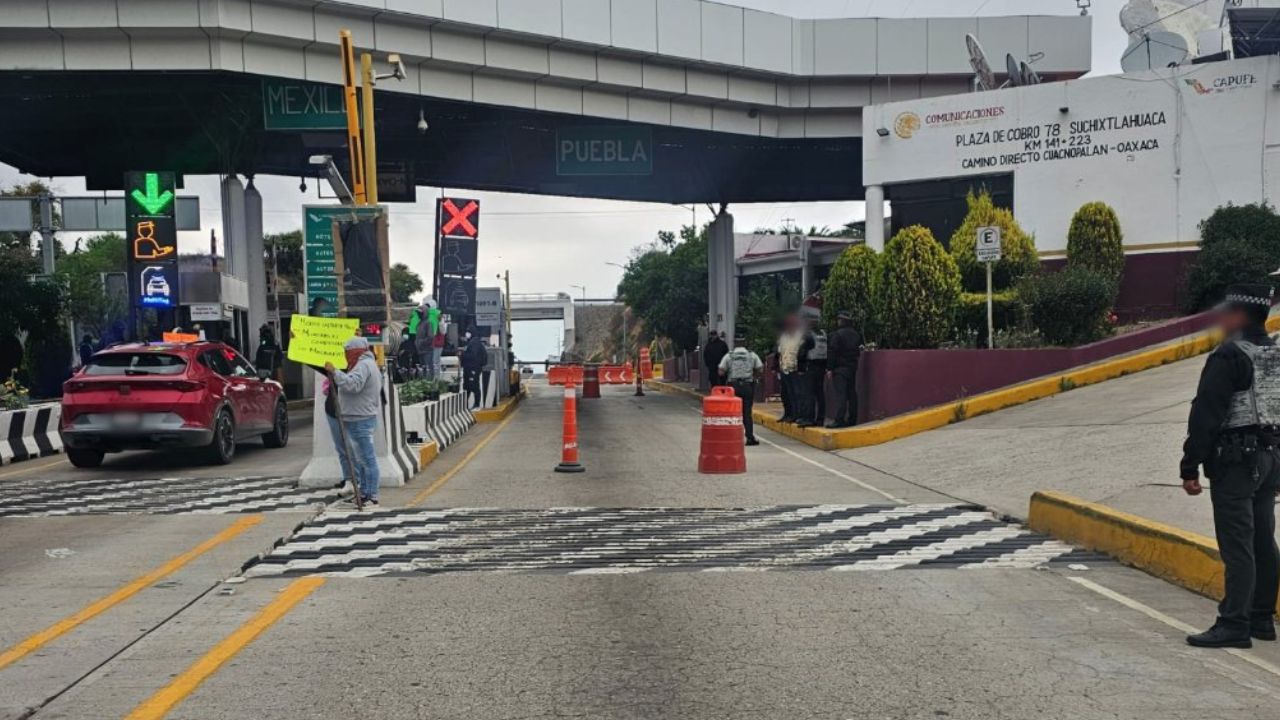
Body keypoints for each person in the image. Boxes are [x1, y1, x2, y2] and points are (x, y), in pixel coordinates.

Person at [1180, 283, 1280, 649]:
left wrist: (1190, 466)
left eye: (1225, 312)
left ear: (1238, 315)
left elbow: (1206, 414)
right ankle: (1261, 619)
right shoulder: (1274, 351)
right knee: (1262, 538)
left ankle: (1234, 623)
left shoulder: (1229, 355)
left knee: (1238, 545)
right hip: (1271, 457)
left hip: (1237, 461)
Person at [324, 337, 383, 507]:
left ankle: (371, 496)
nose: (345, 356)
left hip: (360, 419)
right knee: (362, 460)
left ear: (355, 351)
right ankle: (364, 493)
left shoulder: (363, 365)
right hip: (359, 417)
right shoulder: (364, 364)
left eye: (347, 353)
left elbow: (352, 385)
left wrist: (335, 372)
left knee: (367, 459)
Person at [719, 331, 764, 447]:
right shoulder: (752, 355)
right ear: (744, 343)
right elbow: (760, 369)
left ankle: (730, 438)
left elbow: (721, 371)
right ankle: (750, 437)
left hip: (733, 387)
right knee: (746, 413)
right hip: (747, 385)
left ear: (735, 343)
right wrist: (754, 377)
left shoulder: (729, 356)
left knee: (731, 413)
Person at [826, 311, 863, 428]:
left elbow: (832, 352)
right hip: (852, 367)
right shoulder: (856, 335)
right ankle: (852, 418)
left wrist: (829, 368)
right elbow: (858, 352)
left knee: (841, 395)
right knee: (852, 394)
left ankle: (839, 419)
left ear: (842, 321)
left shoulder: (837, 335)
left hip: (840, 369)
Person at [777, 315, 808, 423]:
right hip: (784, 369)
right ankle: (788, 414)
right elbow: (780, 353)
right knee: (786, 394)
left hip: (794, 369)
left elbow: (801, 353)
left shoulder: (800, 337)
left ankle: (797, 415)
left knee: (797, 394)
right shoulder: (783, 337)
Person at [800, 320, 828, 428]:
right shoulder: (824, 334)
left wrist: (801, 367)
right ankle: (820, 419)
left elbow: (802, 351)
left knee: (809, 393)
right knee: (820, 393)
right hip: (822, 365)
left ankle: (809, 419)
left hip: (811, 365)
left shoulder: (808, 335)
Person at [461, 330, 488, 410]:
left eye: (468, 332)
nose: (466, 333)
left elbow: (473, 355)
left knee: (473, 385)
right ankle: (466, 405)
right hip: (471, 367)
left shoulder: (474, 343)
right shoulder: (473, 342)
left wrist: (463, 354)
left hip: (473, 367)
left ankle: (476, 404)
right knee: (468, 386)